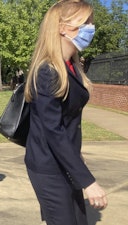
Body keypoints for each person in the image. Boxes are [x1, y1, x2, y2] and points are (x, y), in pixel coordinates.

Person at [23, 1, 108, 224]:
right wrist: (88, 182)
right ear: (62, 27)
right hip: (48, 167)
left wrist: (78, 161)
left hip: (66, 162)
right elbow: (53, 131)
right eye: (85, 22)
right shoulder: (47, 71)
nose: (91, 28)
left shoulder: (71, 66)